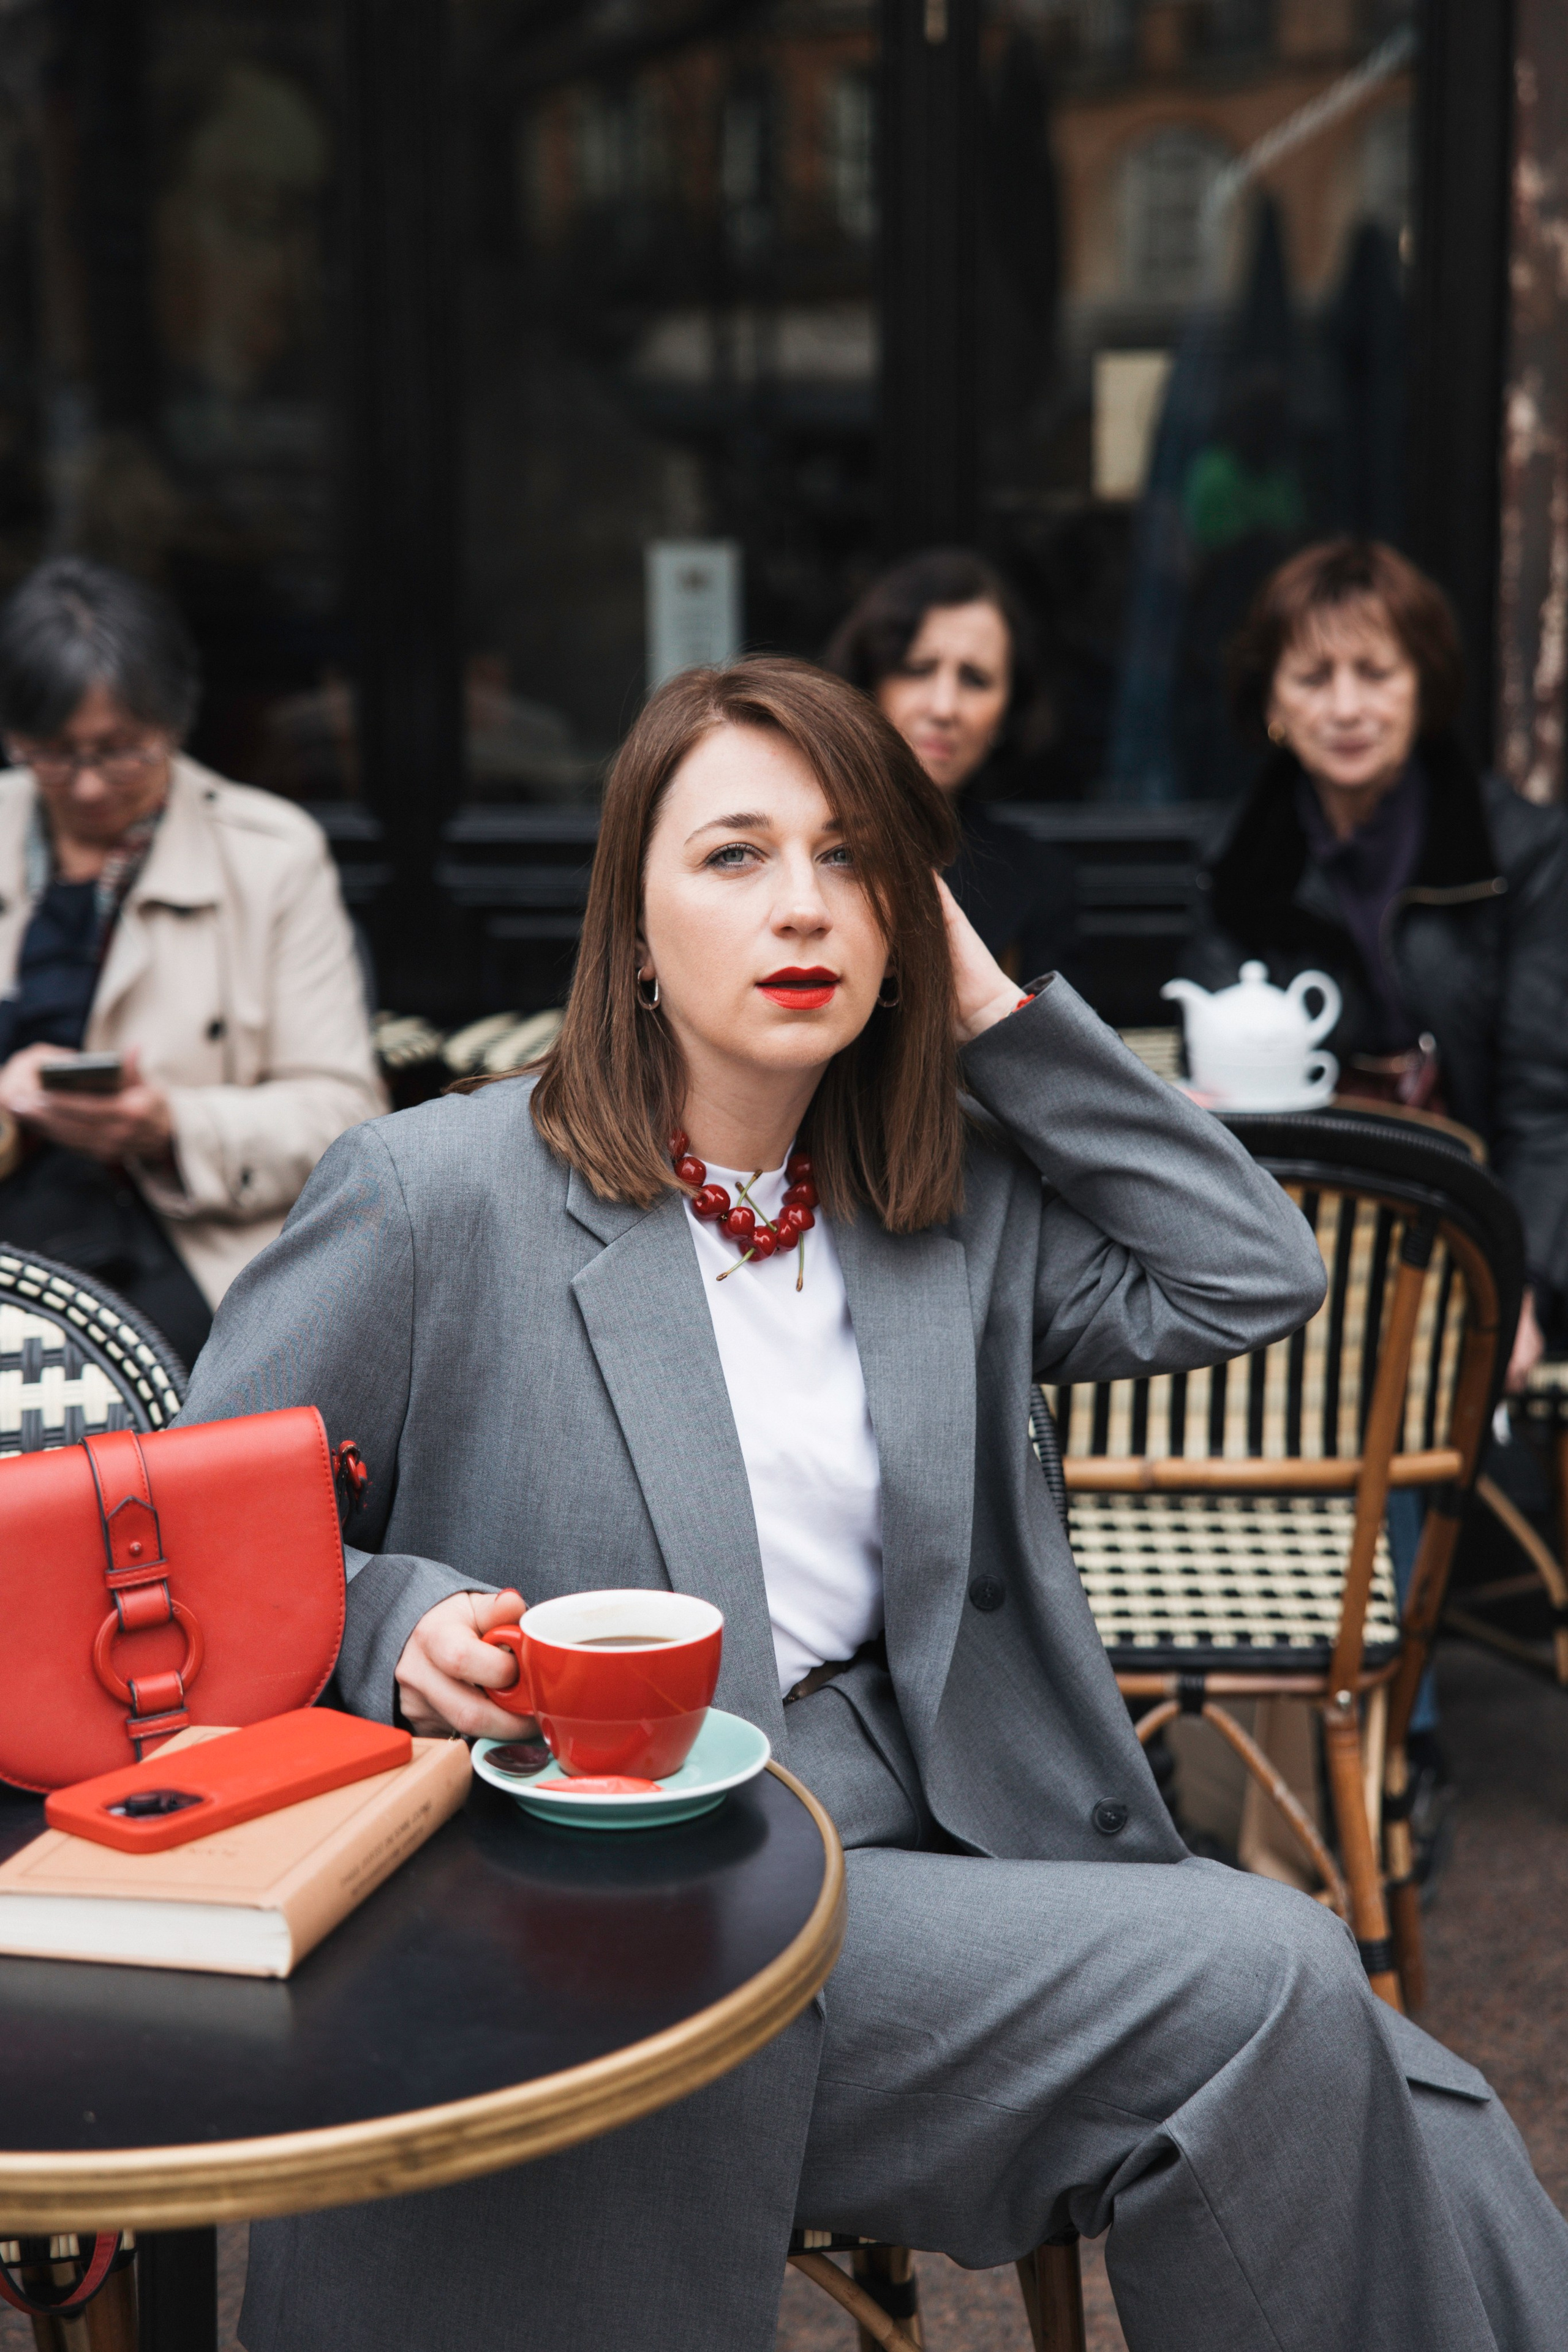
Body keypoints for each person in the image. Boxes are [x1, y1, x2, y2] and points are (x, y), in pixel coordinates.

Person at [182, 658, 1567, 2352]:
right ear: (628, 925)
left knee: (1343, 2051)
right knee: (1283, 1984)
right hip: (615, 1905)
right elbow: (204, 1557)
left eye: (854, 861)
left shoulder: (941, 1202)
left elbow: (1252, 1272)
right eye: (738, 856)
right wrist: (400, 1628)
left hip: (940, 1853)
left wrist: (987, 1003)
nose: (806, 906)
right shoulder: (433, 1196)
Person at [1185, 537, 1568, 1396]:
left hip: (1478, 1233)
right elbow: (1222, 1100)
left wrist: (1524, 1286)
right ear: (1273, 702)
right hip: (1294, 1244)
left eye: (1376, 673)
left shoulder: (1522, 852)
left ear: (1422, 685)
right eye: (1315, 679)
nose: (1347, 707)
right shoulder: (1236, 860)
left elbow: (1548, 1108)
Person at [0, 556, 386, 1368]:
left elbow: (344, 1117)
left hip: (170, 1256)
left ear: (174, 724)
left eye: (123, 751)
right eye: (55, 754)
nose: (93, 785)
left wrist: (170, 1125)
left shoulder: (270, 854)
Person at [824, 548, 1068, 975]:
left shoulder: (1040, 881)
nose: (943, 707)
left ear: (1009, 711)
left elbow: (1058, 1044)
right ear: (869, 682)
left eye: (975, 679)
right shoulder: (797, 847)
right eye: (918, 669)